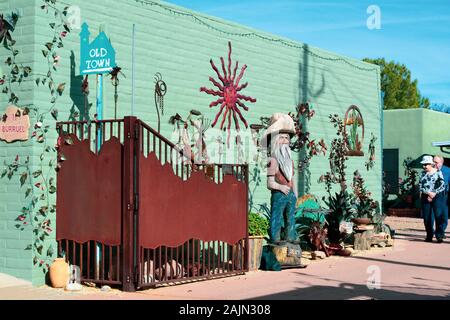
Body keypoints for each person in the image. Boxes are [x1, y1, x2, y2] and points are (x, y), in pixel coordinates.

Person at [261, 113, 298, 244]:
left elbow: (292, 179)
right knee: (276, 217)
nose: (284, 141)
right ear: (275, 140)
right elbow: (270, 183)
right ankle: (275, 239)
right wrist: (281, 187)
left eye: (287, 138)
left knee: (290, 218)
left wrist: (295, 194)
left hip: (290, 195)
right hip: (279, 194)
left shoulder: (290, 162)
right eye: (281, 138)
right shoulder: (272, 161)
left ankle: (290, 237)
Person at [419, 155, 446, 243]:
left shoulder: (438, 172)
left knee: (438, 216)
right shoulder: (423, 174)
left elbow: (442, 185)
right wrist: (428, 193)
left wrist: (433, 193)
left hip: (437, 196)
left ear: (431, 164)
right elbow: (420, 186)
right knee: (427, 217)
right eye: (423, 165)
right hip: (425, 196)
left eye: (426, 164)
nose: (424, 166)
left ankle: (439, 236)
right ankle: (429, 235)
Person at [433, 155, 450, 233]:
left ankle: (441, 230)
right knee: (437, 215)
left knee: (444, 216)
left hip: (444, 195)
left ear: (441, 162)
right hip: (433, 194)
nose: (434, 164)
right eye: (433, 162)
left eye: (436, 162)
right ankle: (439, 234)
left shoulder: (447, 170)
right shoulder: (431, 170)